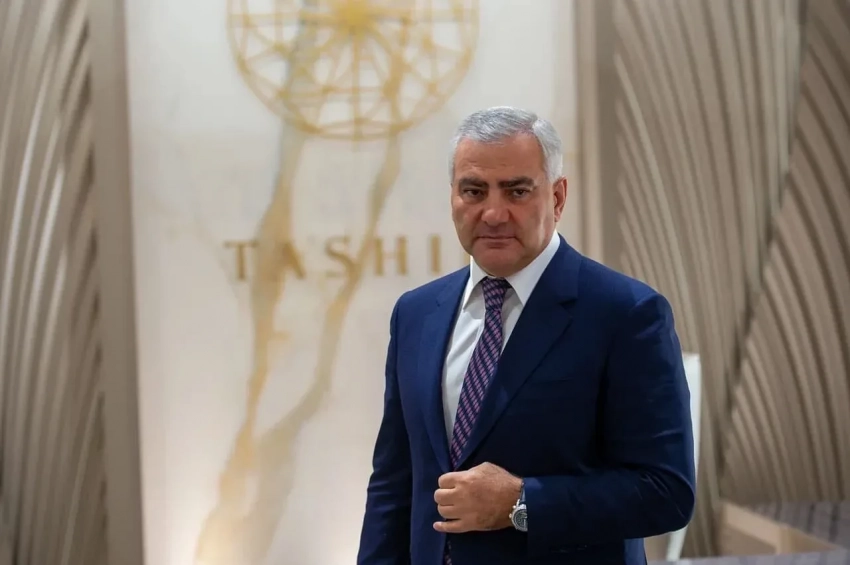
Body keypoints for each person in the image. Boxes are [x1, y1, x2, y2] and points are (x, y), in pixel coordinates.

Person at [356, 106, 696, 565]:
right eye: (474, 191)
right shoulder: (416, 314)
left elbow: (666, 491)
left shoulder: (626, 314)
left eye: (517, 191)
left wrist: (522, 503)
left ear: (557, 197)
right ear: (453, 196)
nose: (493, 213)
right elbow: (394, 483)